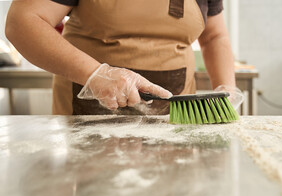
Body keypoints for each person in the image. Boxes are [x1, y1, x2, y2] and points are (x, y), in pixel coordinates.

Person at [5, 0, 241, 115]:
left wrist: (227, 88)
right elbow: (23, 21)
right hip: (87, 113)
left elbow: (214, 37)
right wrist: (97, 75)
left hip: (173, 116)